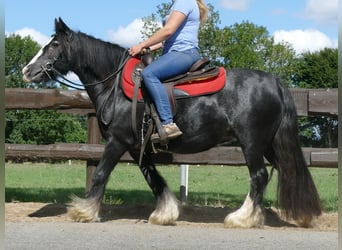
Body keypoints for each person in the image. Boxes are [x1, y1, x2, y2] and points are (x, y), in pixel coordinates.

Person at [129, 0, 208, 141]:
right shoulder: (177, 4)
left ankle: (168, 124)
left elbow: (168, 31)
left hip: (184, 52)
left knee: (149, 74)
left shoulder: (184, 2)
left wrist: (142, 44)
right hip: (175, 52)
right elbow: (166, 40)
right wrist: (143, 49)